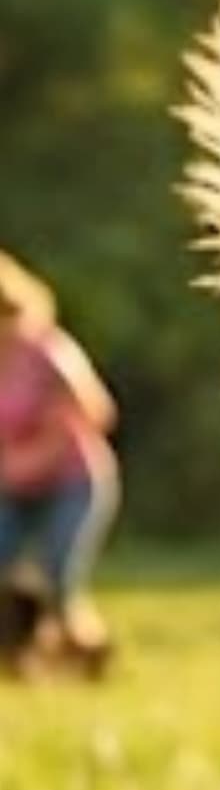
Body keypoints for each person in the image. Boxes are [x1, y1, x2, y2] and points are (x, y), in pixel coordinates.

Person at [0, 250, 122, 673]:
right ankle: (21, 660)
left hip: (72, 481)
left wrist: (41, 450)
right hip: (12, 487)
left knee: (57, 575)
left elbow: (96, 411)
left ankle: (89, 652)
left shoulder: (46, 352)